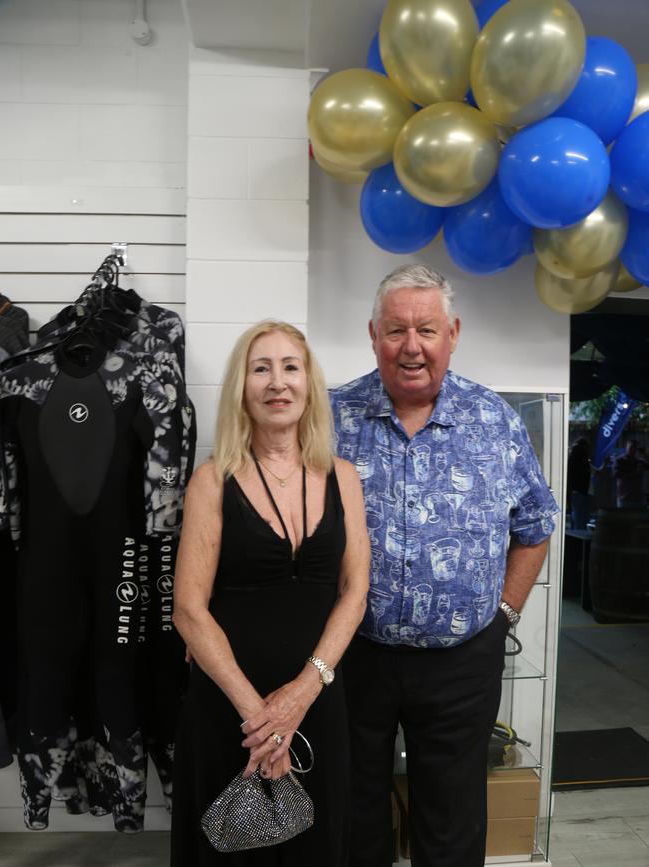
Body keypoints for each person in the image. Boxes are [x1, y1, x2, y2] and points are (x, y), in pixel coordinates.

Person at [330, 264, 559, 867]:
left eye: (426, 330)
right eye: (396, 330)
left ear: (452, 334)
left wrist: (504, 613)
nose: (412, 347)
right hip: (354, 656)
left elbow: (536, 527)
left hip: (462, 662)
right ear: (373, 334)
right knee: (351, 811)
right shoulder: (330, 418)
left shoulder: (494, 420)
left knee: (453, 822)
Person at [170, 321, 369, 866]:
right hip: (229, 709)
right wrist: (260, 720)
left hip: (318, 701)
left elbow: (355, 590)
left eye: (290, 367)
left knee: (315, 847)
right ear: (243, 387)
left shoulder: (343, 477)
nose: (277, 382)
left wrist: (302, 695)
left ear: (309, 383)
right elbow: (188, 609)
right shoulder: (213, 481)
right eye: (261, 368)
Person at [612, 439, 649, 508]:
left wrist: (644, 455)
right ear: (627, 448)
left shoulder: (639, 462)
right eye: (631, 448)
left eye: (635, 448)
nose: (633, 450)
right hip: (624, 497)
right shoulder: (620, 461)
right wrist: (633, 473)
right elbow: (616, 474)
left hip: (638, 498)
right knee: (624, 518)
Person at [567, 436, 591, 528]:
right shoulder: (581, 454)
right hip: (579, 490)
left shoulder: (572, 455)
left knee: (575, 516)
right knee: (580, 518)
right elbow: (582, 474)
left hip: (572, 490)